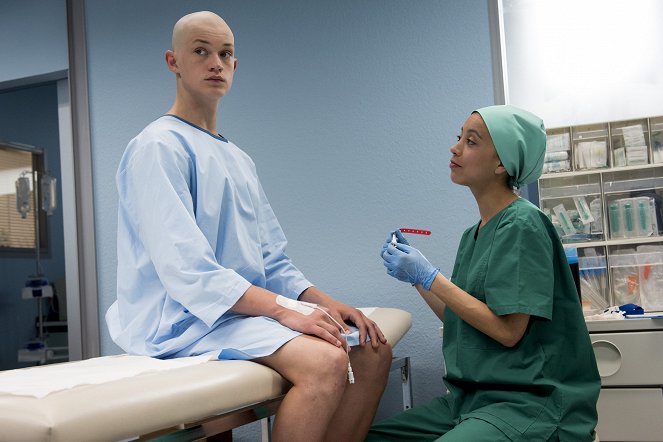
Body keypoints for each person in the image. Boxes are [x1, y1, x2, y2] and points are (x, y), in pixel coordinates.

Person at [105, 11, 392, 442]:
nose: (216, 63)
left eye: (225, 54)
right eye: (201, 51)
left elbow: (272, 260)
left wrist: (326, 303)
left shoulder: (238, 159)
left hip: (238, 314)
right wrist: (287, 312)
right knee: (326, 362)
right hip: (182, 321)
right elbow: (188, 272)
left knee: (372, 350)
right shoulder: (158, 147)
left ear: (235, 66)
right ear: (173, 62)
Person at [370, 105, 600, 441]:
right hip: (470, 402)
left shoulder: (523, 224)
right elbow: (459, 318)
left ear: (501, 164)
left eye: (472, 141)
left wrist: (432, 276)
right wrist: (417, 279)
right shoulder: (473, 233)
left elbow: (508, 331)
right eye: (459, 137)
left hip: (528, 405)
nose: (456, 147)